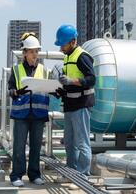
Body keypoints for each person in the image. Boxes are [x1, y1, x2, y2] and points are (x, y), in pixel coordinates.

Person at [54, 24, 96, 176]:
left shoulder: (82, 56)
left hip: (81, 105)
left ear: (72, 42)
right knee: (69, 143)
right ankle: (72, 173)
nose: (61, 49)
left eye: (62, 45)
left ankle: (83, 175)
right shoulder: (68, 57)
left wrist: (71, 81)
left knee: (82, 143)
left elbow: (91, 79)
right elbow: (69, 84)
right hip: (70, 105)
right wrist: (59, 90)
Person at [8, 32, 49, 187]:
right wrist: (17, 92)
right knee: (19, 146)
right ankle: (16, 175)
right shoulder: (16, 70)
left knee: (36, 147)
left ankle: (34, 174)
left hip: (38, 114)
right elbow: (10, 90)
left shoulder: (44, 70)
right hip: (21, 114)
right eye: (31, 51)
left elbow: (48, 88)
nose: (35, 55)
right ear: (24, 53)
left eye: (36, 51)